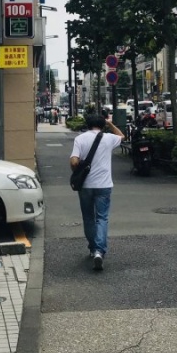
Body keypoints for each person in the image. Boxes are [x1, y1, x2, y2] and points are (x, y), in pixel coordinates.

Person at [69, 113, 124, 270]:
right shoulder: (108, 138)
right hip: (104, 185)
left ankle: (93, 249)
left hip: (85, 185)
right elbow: (122, 136)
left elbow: (74, 160)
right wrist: (110, 124)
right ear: (102, 125)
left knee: (88, 218)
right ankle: (100, 251)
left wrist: (77, 172)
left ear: (87, 124)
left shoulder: (80, 139)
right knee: (102, 218)